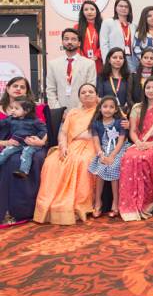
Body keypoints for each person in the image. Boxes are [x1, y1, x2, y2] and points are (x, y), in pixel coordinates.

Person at [33, 83, 99, 225]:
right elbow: (63, 132)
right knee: (51, 161)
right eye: (83, 92)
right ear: (79, 97)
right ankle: (50, 205)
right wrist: (63, 146)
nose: (87, 94)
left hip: (92, 145)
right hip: (70, 144)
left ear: (97, 95)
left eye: (90, 92)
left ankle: (78, 205)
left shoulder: (101, 111)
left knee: (82, 161)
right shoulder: (73, 112)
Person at [118, 76, 153, 221]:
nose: (151, 90)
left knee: (145, 158)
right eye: (148, 88)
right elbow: (132, 131)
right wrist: (138, 142)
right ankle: (129, 205)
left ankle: (145, 203)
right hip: (139, 142)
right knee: (128, 157)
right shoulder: (137, 108)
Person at [88, 96, 130, 218]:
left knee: (113, 166)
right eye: (105, 106)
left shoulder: (119, 122)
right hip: (103, 150)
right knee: (100, 168)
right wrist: (101, 155)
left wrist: (112, 156)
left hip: (118, 149)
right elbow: (96, 142)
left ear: (116, 109)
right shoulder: (96, 124)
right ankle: (98, 202)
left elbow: (121, 141)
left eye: (111, 107)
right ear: (100, 108)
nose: (108, 109)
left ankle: (115, 203)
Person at [46, 28, 97, 110]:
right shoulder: (53, 64)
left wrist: (79, 111)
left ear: (79, 43)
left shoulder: (89, 64)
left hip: (82, 110)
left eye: (73, 39)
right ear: (62, 42)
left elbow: (91, 90)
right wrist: (58, 110)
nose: (69, 42)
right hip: (59, 111)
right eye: (66, 39)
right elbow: (50, 90)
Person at [0, 97, 47, 178]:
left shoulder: (35, 121)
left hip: (31, 144)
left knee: (26, 153)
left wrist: (37, 138)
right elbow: (2, 123)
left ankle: (23, 171)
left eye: (16, 108)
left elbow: (44, 130)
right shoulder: (11, 119)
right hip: (18, 143)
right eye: (12, 108)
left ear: (26, 110)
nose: (12, 110)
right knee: (6, 151)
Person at [100, 0, 137, 72]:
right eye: (120, 6)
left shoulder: (134, 25)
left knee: (131, 78)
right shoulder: (108, 22)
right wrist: (107, 61)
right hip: (115, 58)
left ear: (129, 9)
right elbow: (104, 44)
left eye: (126, 6)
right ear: (115, 8)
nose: (123, 8)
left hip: (131, 59)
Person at [97, 47, 131, 115]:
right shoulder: (102, 77)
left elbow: (130, 98)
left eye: (121, 58)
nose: (118, 60)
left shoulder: (128, 77)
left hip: (124, 113)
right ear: (109, 60)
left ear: (124, 61)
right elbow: (99, 97)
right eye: (114, 57)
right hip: (106, 113)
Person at [74, 0, 104, 73]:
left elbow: (105, 43)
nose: (89, 12)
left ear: (96, 11)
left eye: (92, 9)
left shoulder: (103, 26)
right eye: (86, 9)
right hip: (82, 63)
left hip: (99, 62)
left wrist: (96, 56)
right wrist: (83, 58)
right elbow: (75, 44)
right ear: (82, 12)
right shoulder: (77, 27)